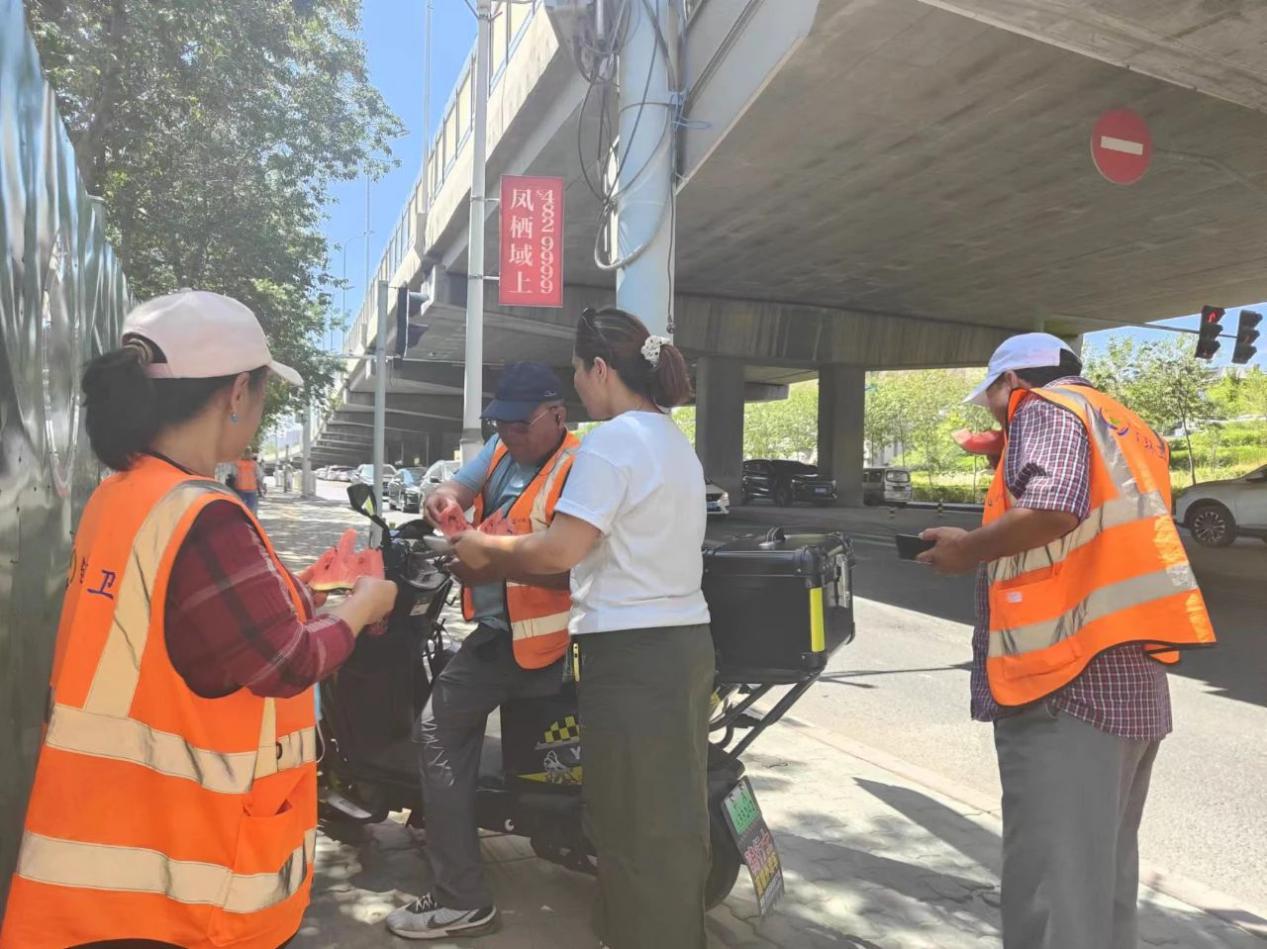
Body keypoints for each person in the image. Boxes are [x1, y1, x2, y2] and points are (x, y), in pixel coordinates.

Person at [0, 290, 398, 949]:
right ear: (236, 393)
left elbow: (190, 621)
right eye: (262, 393)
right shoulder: (205, 517)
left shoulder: (123, 494)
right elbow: (286, 662)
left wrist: (301, 590)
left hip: (104, 851)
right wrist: (363, 606)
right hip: (184, 878)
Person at [918, 333, 1216, 949]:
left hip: (1065, 682)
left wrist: (966, 551)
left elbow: (1054, 507)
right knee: (1100, 885)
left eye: (994, 398)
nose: (997, 414)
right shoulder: (1128, 425)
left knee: (1054, 891)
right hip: (1129, 676)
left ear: (1012, 382)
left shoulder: (1045, 407)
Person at [450, 308, 712, 949]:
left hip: (632, 653)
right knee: (671, 816)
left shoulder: (613, 441)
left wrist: (484, 551)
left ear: (599, 368)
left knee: (629, 822)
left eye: (576, 372)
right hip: (682, 644)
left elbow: (561, 549)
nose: (576, 386)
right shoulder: (671, 439)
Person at [386, 362, 579, 941]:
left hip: (533, 641)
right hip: (501, 630)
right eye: (501, 424)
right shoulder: (499, 450)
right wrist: (442, 499)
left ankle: (460, 897)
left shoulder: (578, 467)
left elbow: (571, 563)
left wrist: (490, 560)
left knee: (437, 731)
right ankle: (451, 825)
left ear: (558, 415)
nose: (509, 434)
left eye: (520, 425)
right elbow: (456, 487)